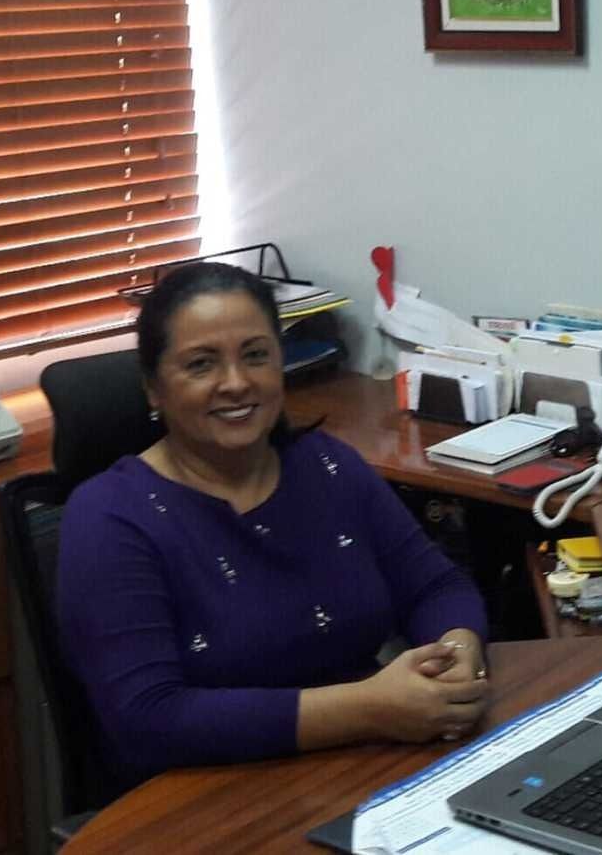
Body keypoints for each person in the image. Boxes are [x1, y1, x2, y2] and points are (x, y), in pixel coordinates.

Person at [57, 263, 490, 795]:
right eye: (201, 364)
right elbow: (148, 720)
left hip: (362, 771)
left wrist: (457, 655)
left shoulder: (328, 467)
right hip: (205, 801)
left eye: (256, 355)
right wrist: (368, 709)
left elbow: (436, 587)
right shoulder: (110, 517)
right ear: (154, 389)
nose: (237, 382)